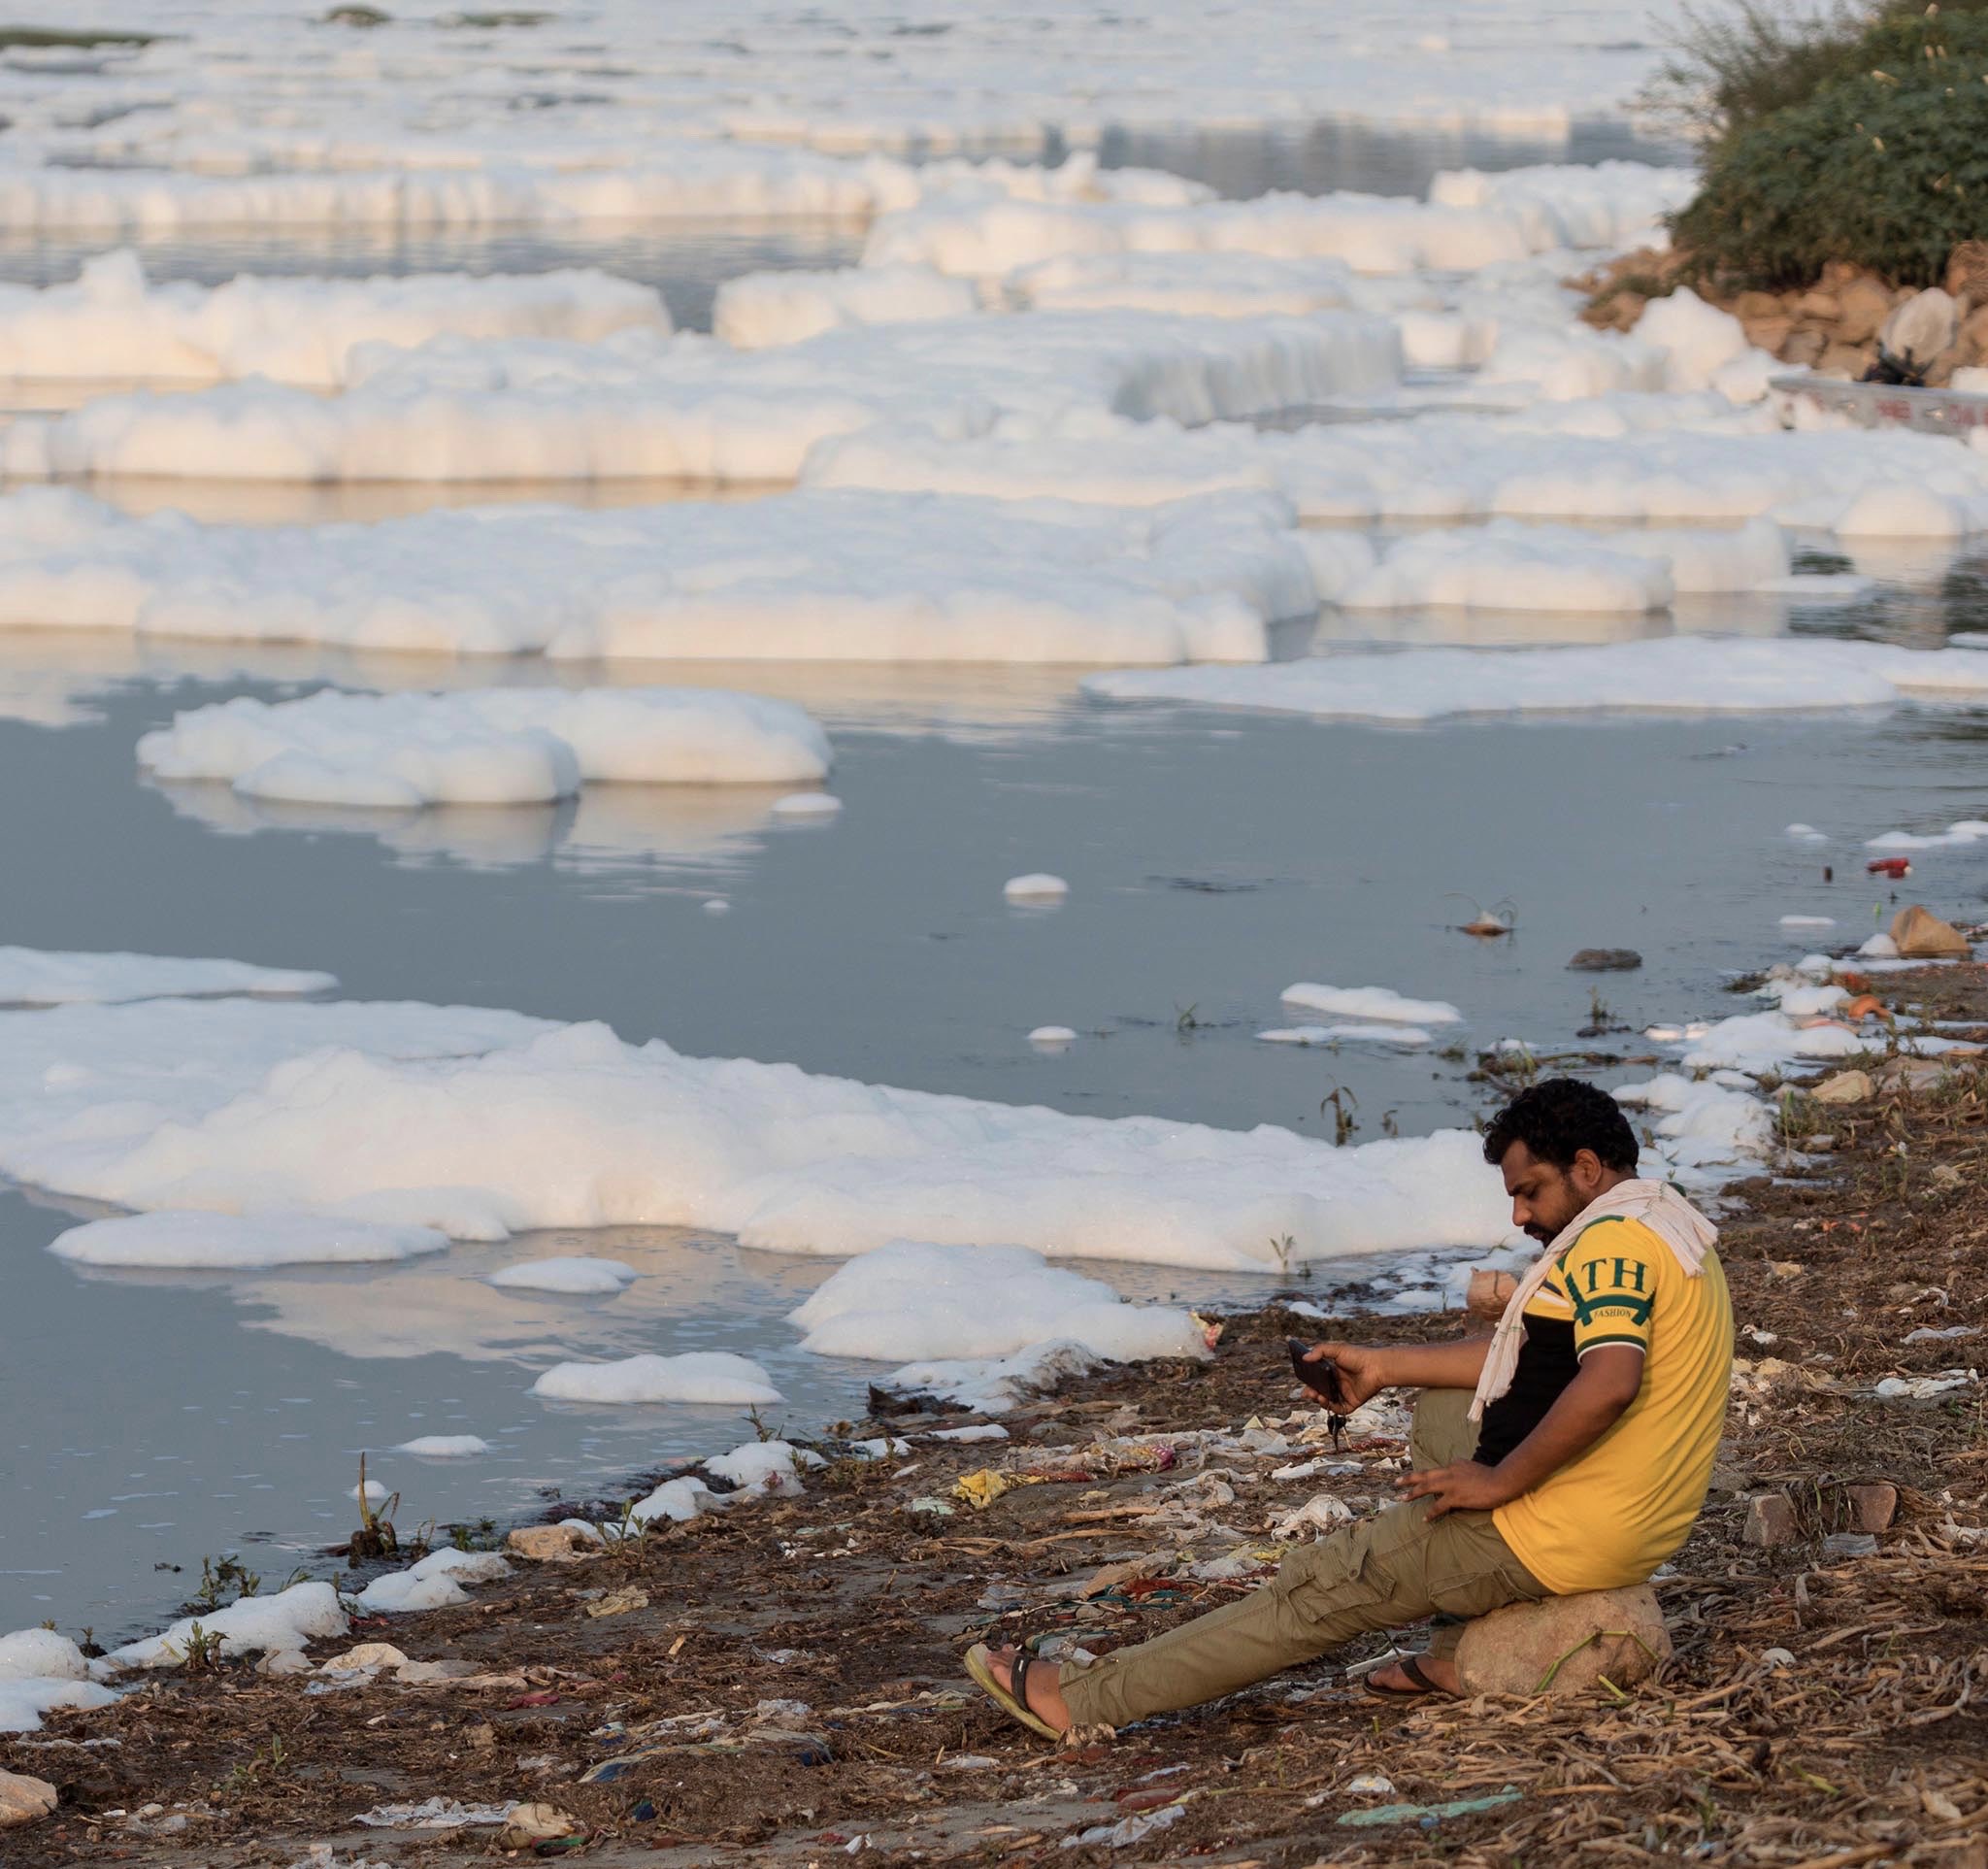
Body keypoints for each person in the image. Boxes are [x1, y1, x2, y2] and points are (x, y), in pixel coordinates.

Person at [965, 1077, 1735, 1737]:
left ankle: (1082, 1700)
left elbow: (1608, 1382)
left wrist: (1499, 1484)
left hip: (1560, 1531)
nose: (1518, 1216)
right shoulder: (1664, 1223)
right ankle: (1457, 1649)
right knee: (1443, 1410)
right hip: (1631, 1521)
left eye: (1529, 1190)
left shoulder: (1608, 1250)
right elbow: (1530, 1356)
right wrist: (1382, 1366)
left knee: (1317, 1588)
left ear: (1588, 1168)